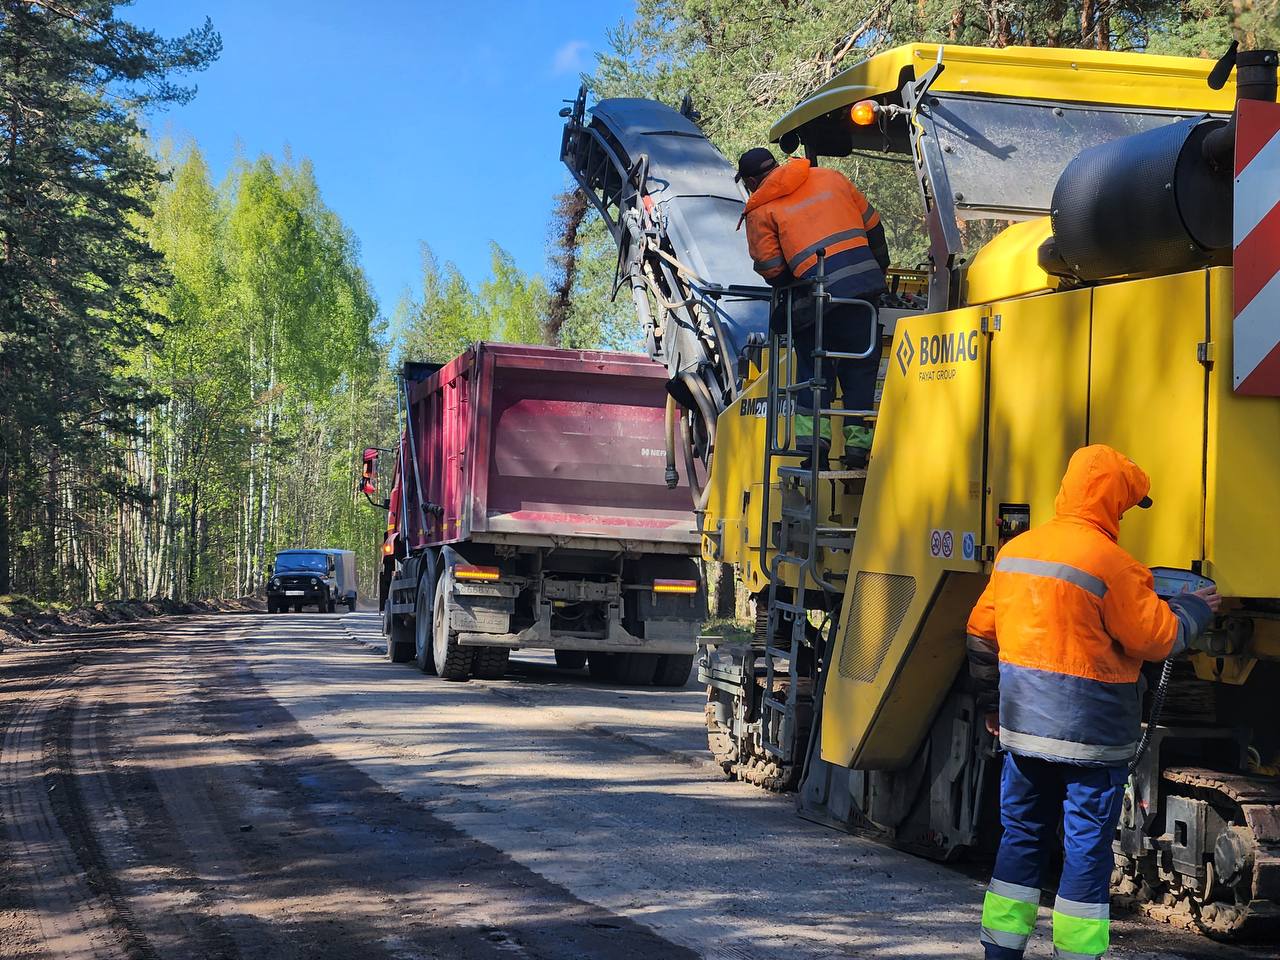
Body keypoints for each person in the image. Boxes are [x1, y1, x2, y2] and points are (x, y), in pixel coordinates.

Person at [966, 444, 1220, 960]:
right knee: (1084, 849)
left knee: (1020, 838)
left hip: (1022, 731)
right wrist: (1194, 610)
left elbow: (978, 634)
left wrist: (994, 705)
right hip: (1094, 741)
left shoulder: (1017, 551)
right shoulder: (1114, 564)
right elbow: (1157, 639)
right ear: (1114, 503)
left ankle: (1000, 952)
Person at [737, 147, 890, 469]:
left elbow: (772, 269)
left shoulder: (761, 211)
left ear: (752, 180)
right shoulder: (830, 178)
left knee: (814, 377)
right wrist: (878, 271)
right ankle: (857, 452)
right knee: (859, 373)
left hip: (818, 301)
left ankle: (814, 453)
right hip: (863, 296)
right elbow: (875, 229)